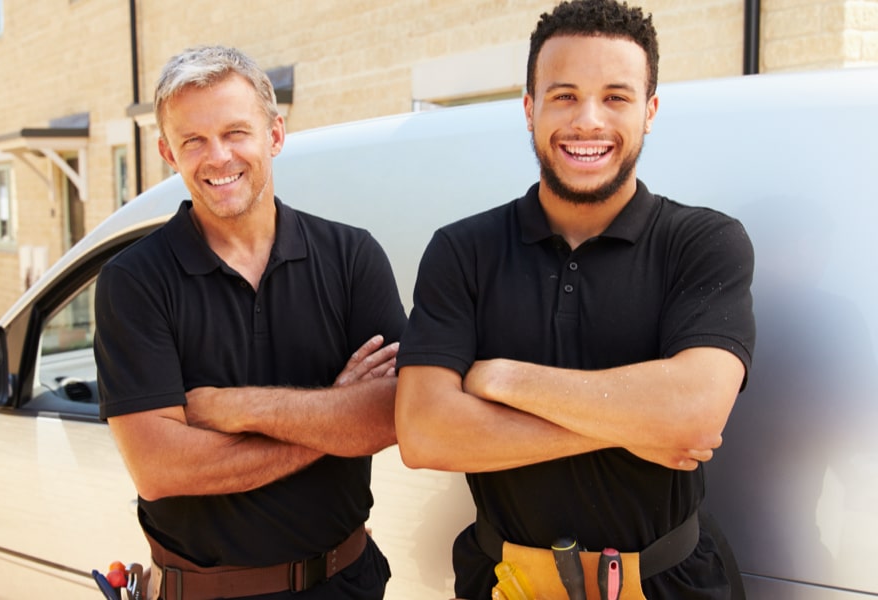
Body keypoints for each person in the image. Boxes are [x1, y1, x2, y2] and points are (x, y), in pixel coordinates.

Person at [394, 1, 755, 598]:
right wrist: (637, 424)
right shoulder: (463, 251)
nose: (588, 121)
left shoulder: (703, 242)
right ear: (530, 109)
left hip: (672, 583)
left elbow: (693, 413)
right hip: (508, 585)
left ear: (650, 111)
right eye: (564, 96)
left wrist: (503, 379)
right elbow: (426, 434)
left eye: (616, 96)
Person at [94, 45, 406, 600]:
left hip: (346, 583)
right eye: (193, 140)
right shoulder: (134, 282)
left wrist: (234, 407)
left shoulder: (352, 256)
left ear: (275, 135)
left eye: (236, 132)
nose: (217, 157)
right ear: (169, 152)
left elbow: (390, 416)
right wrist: (334, 418)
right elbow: (162, 469)